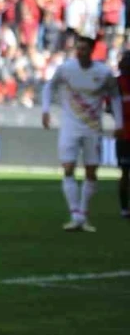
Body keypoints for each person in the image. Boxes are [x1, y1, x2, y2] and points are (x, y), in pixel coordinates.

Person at [41, 35, 119, 232]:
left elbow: (115, 96)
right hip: (70, 126)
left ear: (91, 51)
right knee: (68, 168)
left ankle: (83, 213)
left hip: (93, 127)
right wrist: (45, 109)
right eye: (78, 48)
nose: (79, 52)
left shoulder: (103, 73)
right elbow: (49, 86)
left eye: (83, 49)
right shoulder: (66, 68)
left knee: (91, 172)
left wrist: (119, 122)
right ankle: (75, 214)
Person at [116, 51, 130, 220]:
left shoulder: (117, 84)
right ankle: (124, 208)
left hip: (123, 134)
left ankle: (125, 208)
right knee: (125, 172)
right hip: (124, 134)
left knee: (125, 173)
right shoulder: (117, 84)